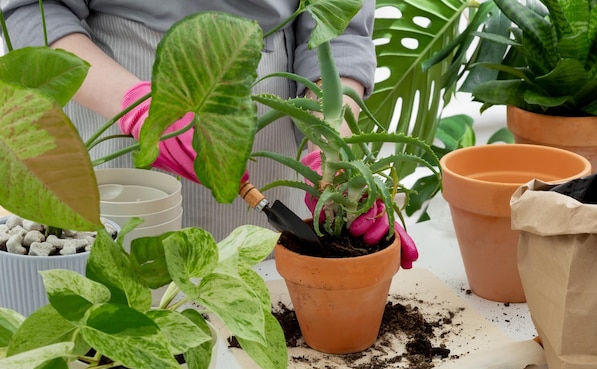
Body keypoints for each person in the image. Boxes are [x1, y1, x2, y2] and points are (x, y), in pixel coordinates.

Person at [2, 1, 417, 267]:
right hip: (112, 100)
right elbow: (31, 9)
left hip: (267, 115)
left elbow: (336, 29)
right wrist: (137, 107)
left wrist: (330, 154)